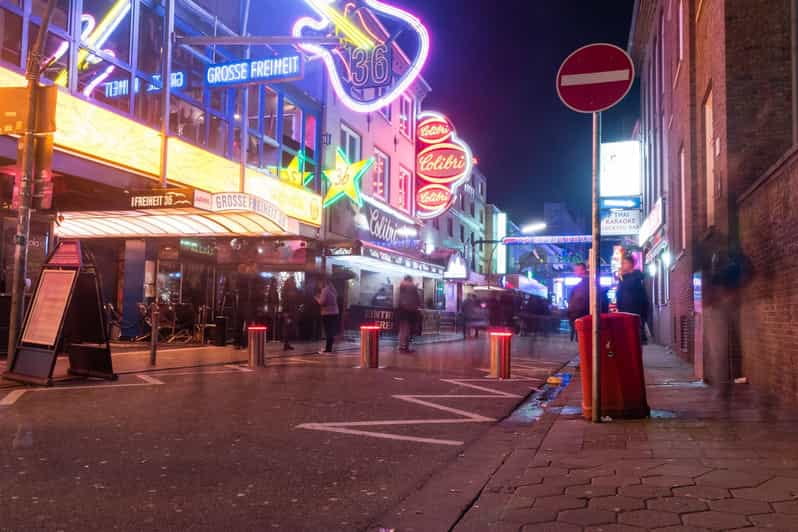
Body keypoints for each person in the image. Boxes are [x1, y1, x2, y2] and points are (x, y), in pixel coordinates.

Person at [616, 255, 650, 343]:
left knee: (634, 339)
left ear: (630, 264)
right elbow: (620, 293)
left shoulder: (636, 277)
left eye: (624, 263)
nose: (622, 266)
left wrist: (623, 277)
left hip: (634, 311)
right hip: (624, 310)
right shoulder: (624, 278)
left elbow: (633, 290)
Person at [397, 275, 421, 352]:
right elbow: (417, 299)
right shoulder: (413, 286)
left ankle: (401, 345)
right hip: (410, 310)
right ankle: (405, 346)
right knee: (408, 329)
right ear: (410, 279)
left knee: (402, 328)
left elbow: (398, 298)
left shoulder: (401, 286)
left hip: (401, 310)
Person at [567, 262, 590, 341]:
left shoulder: (584, 284)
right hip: (581, 316)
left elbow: (580, 302)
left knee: (583, 340)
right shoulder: (583, 283)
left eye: (576, 270)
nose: (575, 272)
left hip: (581, 316)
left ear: (583, 270)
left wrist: (572, 312)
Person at [315, 279, 339, 353]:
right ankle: (330, 347)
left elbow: (322, 302)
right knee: (331, 330)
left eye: (319, 283)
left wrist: (316, 298)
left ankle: (328, 348)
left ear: (323, 283)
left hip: (327, 313)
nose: (319, 285)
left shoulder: (325, 290)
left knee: (328, 331)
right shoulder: (333, 290)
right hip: (335, 312)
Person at [281, 275, 300, 351]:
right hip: (288, 311)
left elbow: (298, 298)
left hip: (292, 310)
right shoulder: (286, 291)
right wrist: (285, 312)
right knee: (287, 327)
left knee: (290, 327)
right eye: (293, 281)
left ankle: (287, 343)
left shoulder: (294, 289)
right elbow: (285, 302)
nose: (294, 282)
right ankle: (286, 343)